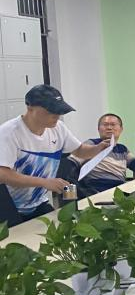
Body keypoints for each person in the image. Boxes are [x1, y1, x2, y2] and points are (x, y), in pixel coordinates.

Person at [0, 85, 112, 221]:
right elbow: (3, 174)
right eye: (51, 111)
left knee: (56, 228)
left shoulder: (58, 128)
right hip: (7, 205)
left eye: (59, 111)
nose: (56, 116)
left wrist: (99, 148)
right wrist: (44, 182)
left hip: (37, 203)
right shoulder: (9, 133)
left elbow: (79, 150)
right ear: (30, 108)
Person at [74, 113, 135, 196]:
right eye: (105, 125)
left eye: (113, 125)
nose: (109, 127)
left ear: (121, 129)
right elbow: (72, 163)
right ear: (98, 129)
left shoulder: (122, 149)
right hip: (95, 190)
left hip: (119, 190)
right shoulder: (91, 145)